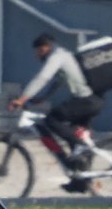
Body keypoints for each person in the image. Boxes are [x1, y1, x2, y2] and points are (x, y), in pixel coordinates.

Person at [8, 33, 105, 190]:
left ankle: (80, 147)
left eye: (38, 51)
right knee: (73, 137)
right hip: (91, 100)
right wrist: (41, 98)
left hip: (86, 101)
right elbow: (58, 81)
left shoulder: (57, 56)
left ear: (45, 47)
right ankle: (79, 183)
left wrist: (22, 99)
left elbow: (43, 77)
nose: (36, 55)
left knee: (51, 120)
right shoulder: (64, 55)